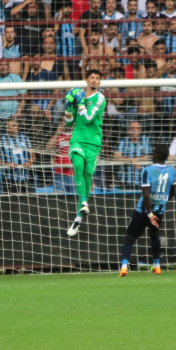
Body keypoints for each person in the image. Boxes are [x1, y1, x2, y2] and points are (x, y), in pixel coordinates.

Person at [119, 144, 176, 276]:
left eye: (153, 153)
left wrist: (149, 212)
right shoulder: (172, 171)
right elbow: (173, 192)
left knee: (130, 237)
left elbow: (146, 193)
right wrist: (161, 202)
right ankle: (156, 266)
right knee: (154, 235)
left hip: (144, 210)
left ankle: (124, 266)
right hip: (159, 211)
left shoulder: (148, 170)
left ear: (156, 155)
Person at [65, 69, 106, 237]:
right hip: (78, 139)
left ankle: (78, 219)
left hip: (93, 143)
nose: (94, 80)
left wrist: (80, 102)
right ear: (86, 80)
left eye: (97, 78)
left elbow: (88, 118)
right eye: (92, 77)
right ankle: (82, 202)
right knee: (78, 164)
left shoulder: (100, 98)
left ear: (100, 82)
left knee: (87, 180)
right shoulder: (78, 96)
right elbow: (69, 122)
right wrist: (68, 106)